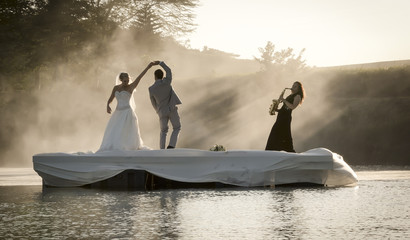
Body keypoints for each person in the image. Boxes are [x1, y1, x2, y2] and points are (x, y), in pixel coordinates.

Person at [97, 62, 155, 152]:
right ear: (121, 80)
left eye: (128, 80)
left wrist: (148, 67)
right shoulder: (116, 88)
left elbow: (140, 77)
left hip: (128, 112)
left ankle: (127, 146)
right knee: (114, 131)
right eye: (125, 81)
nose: (126, 82)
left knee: (126, 132)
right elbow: (111, 98)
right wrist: (107, 105)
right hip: (118, 113)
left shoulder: (131, 87)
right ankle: (115, 146)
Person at [149, 61, 182, 149]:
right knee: (177, 127)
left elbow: (153, 103)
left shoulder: (151, 89)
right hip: (172, 109)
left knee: (163, 131)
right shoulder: (167, 82)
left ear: (154, 77)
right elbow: (169, 70)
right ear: (162, 76)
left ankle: (162, 149)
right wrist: (160, 63)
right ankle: (171, 146)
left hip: (161, 111)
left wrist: (158, 111)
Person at [265, 81, 305, 152]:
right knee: (276, 133)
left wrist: (283, 100)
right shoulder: (290, 95)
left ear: (299, 89)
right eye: (293, 85)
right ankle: (273, 151)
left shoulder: (298, 96)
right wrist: (276, 109)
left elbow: (292, 107)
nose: (292, 87)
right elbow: (285, 108)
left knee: (284, 134)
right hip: (281, 116)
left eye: (295, 86)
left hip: (285, 118)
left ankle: (288, 151)